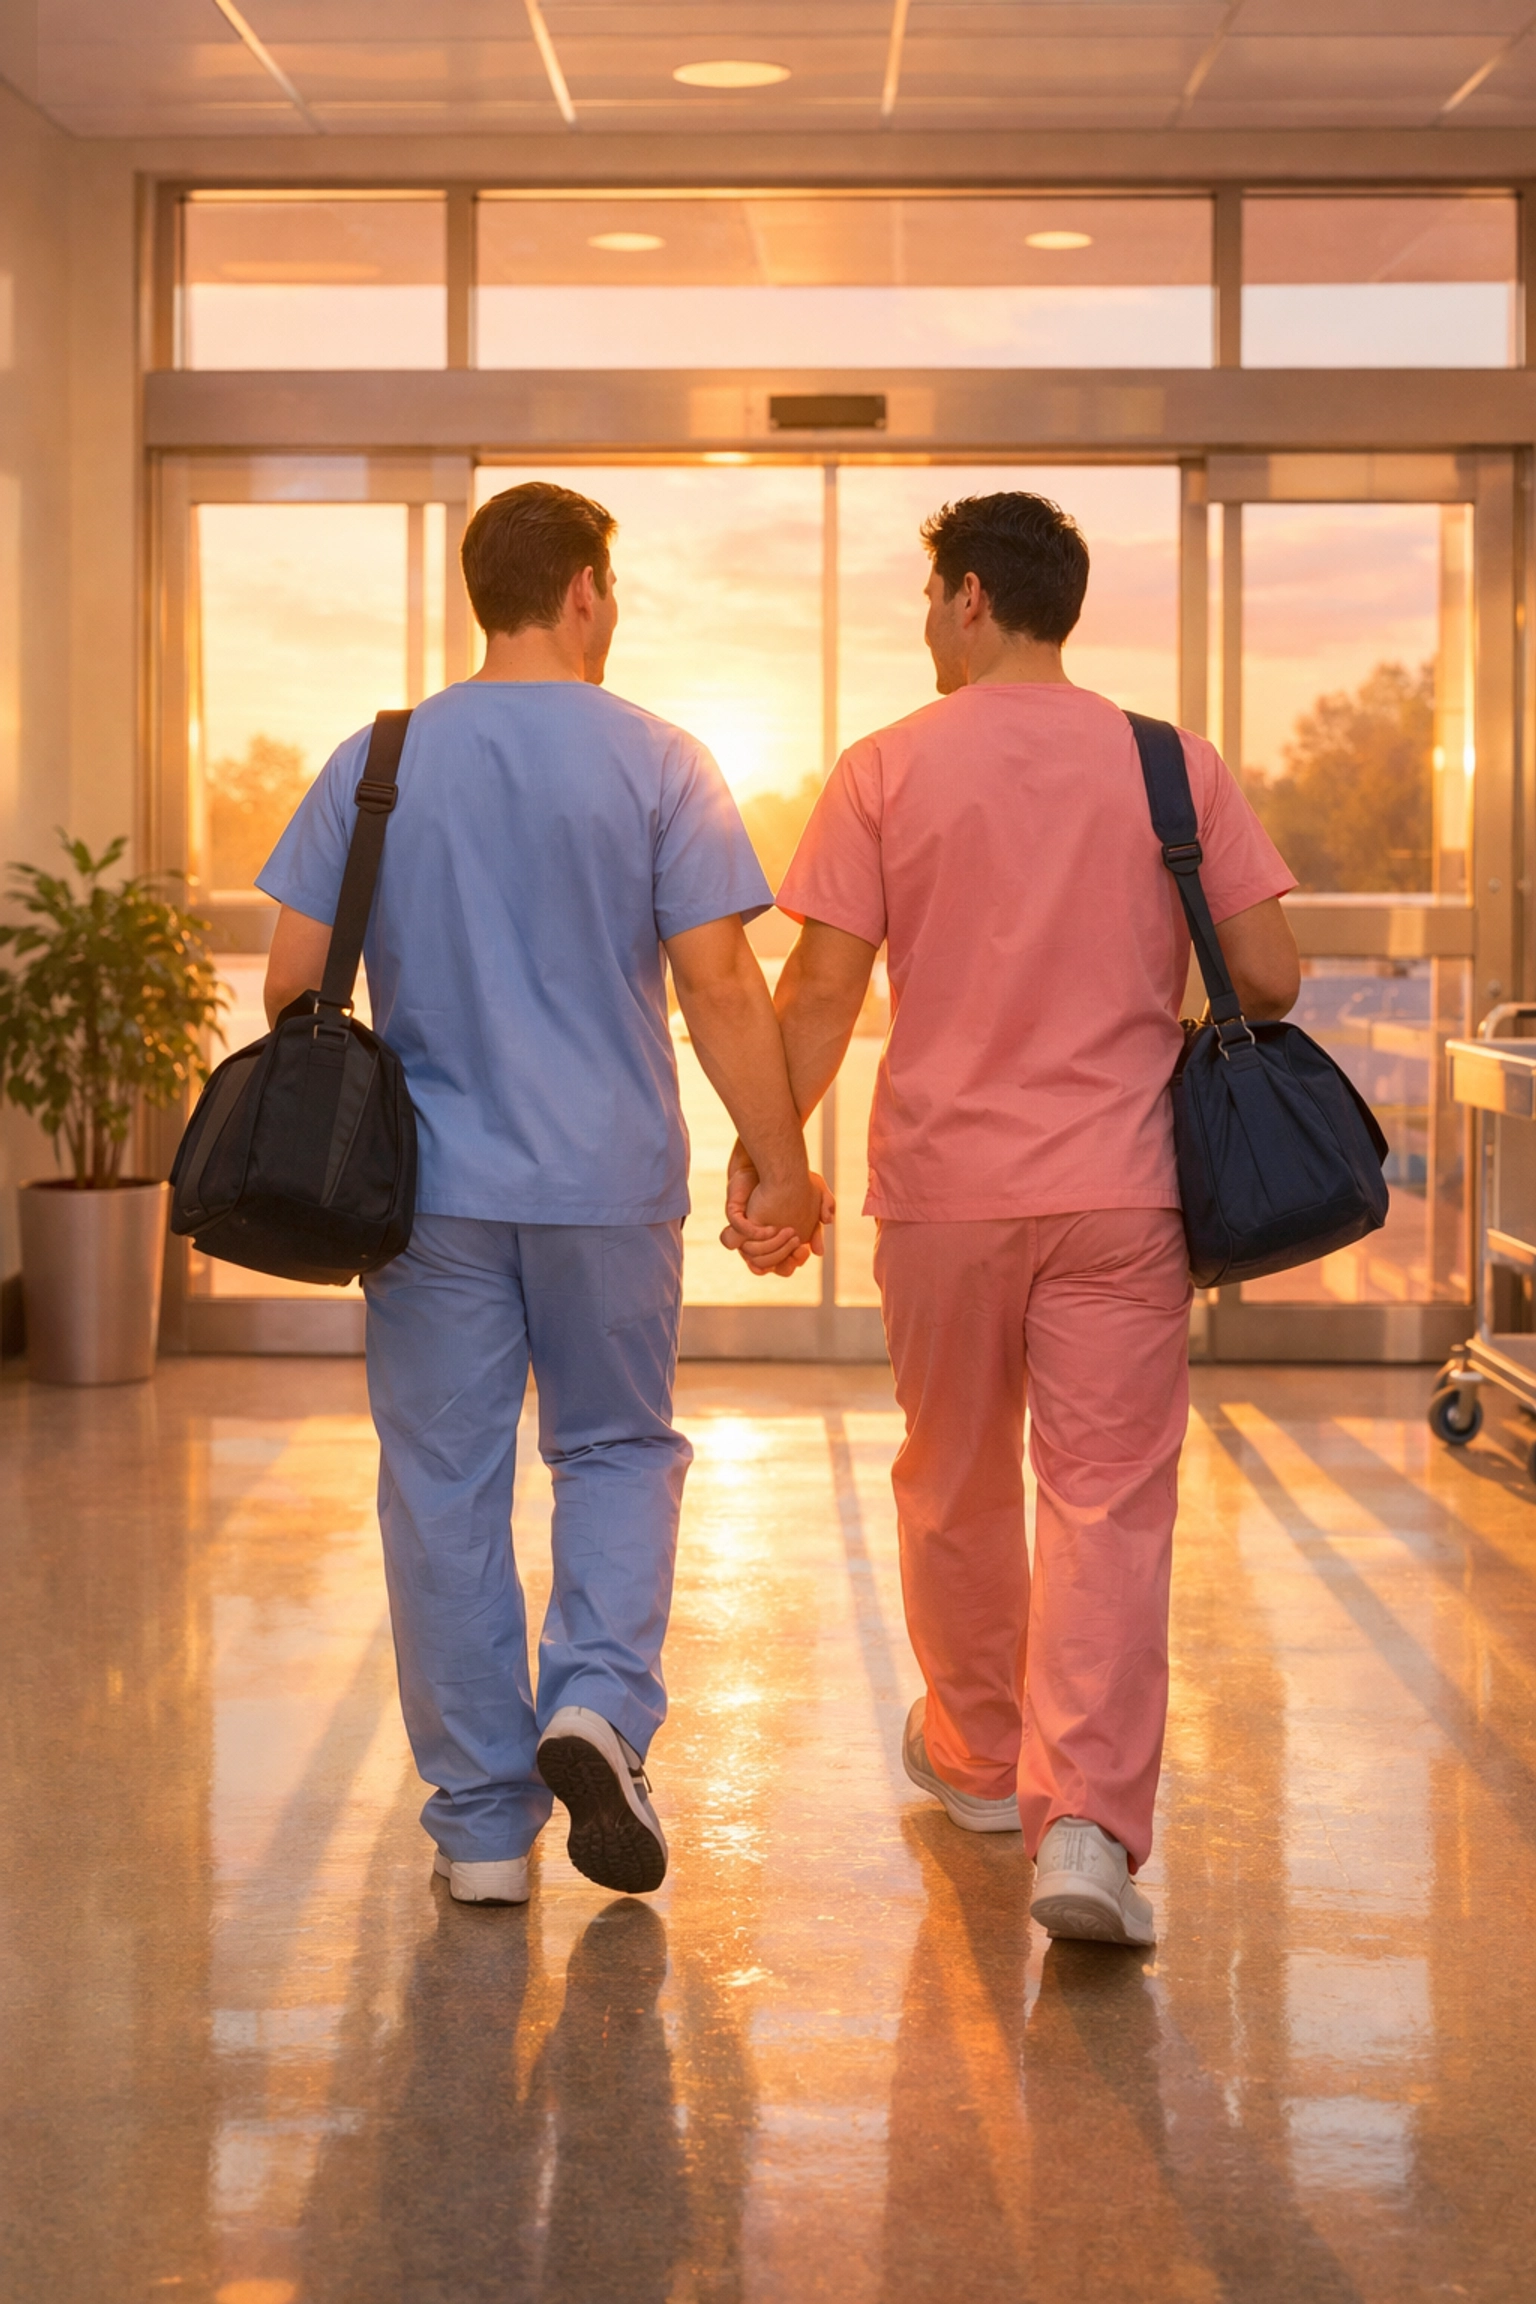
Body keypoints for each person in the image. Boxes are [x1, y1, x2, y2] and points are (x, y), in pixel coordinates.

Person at [727, 491, 1299, 1947]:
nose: (926, 627)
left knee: (957, 1479)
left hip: (944, 1200)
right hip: (1121, 1192)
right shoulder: (1173, 765)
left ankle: (982, 1762)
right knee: (1109, 1502)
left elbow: (820, 992)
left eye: (930, 601)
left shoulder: (885, 770)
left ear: (970, 596)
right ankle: (1090, 1829)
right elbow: (1275, 975)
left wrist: (775, 1167)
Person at [258, 481, 825, 1907]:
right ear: (581, 588)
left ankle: (481, 1832)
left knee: (445, 1490)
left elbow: (287, 987)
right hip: (607, 1184)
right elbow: (718, 982)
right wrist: (784, 1162)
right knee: (618, 1453)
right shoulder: (662, 760)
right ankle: (598, 1708)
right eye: (611, 590)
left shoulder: (376, 761)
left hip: (429, 1197)